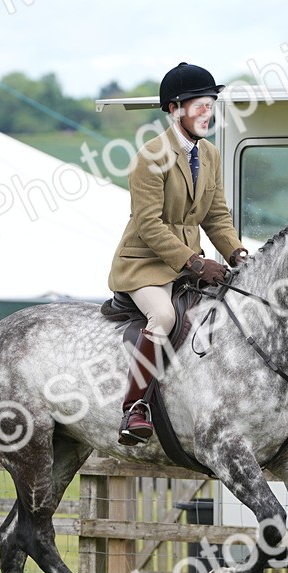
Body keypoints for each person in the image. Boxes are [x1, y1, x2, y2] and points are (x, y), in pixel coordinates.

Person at [108, 62, 249, 446]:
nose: (208, 113)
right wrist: (194, 261)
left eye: (211, 105)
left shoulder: (212, 155)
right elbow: (149, 224)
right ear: (174, 109)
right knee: (165, 315)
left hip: (189, 265)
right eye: (199, 105)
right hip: (144, 266)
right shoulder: (150, 157)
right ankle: (134, 408)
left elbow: (217, 216)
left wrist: (237, 254)